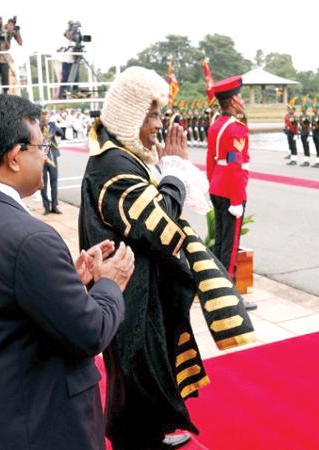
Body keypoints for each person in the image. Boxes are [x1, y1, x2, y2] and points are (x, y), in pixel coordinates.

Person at [0, 93, 133, 450]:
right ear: (14, 157)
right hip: (37, 426)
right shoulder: (29, 237)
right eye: (42, 145)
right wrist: (108, 285)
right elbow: (89, 333)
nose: (47, 155)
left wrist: (67, 280)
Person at [79, 66, 256, 450]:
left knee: (152, 366)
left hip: (138, 291)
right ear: (131, 115)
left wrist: (165, 173)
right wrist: (174, 174)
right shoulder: (112, 166)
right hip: (129, 296)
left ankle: (152, 429)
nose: (160, 124)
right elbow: (159, 226)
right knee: (136, 373)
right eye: (154, 114)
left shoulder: (121, 156)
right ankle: (137, 439)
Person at [206, 75, 257, 311]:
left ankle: (214, 287)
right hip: (231, 191)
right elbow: (236, 166)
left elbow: (211, 161)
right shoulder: (236, 129)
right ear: (234, 100)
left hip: (217, 186)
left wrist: (212, 183)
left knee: (219, 242)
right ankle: (229, 296)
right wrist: (237, 199)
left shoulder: (216, 124)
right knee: (230, 244)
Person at [39, 109, 64, 214]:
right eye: (43, 115)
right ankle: (46, 207)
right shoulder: (36, 127)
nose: (45, 117)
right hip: (42, 158)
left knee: (54, 183)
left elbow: (62, 133)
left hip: (52, 157)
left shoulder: (52, 125)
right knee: (43, 184)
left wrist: (54, 130)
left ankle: (54, 206)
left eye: (46, 115)